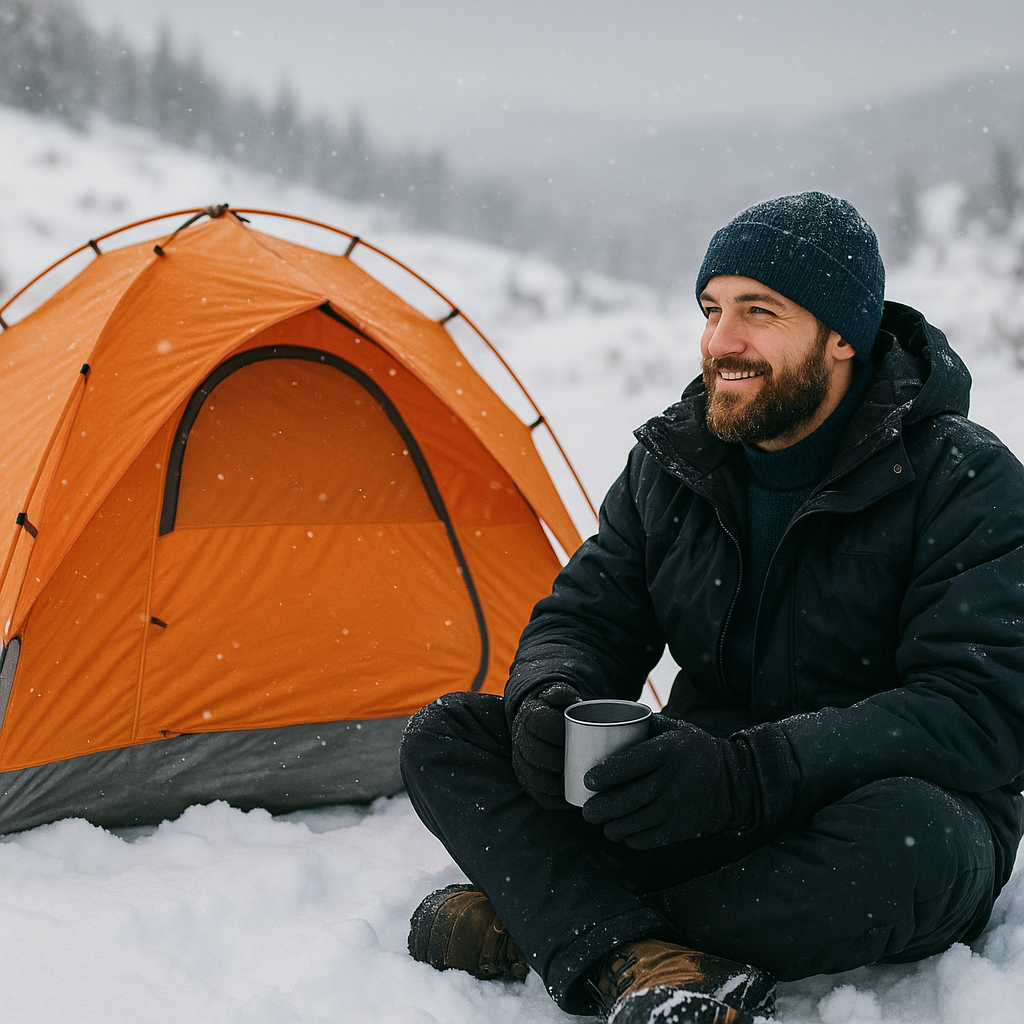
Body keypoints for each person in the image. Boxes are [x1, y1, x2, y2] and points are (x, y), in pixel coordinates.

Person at [399, 192, 1024, 1024]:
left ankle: (557, 925)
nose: (720, 342)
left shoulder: (964, 479)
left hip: (868, 808)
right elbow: (587, 615)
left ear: (844, 336)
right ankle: (641, 950)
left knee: (916, 844)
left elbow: (977, 711)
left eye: (758, 313)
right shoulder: (676, 461)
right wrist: (548, 696)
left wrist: (755, 775)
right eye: (712, 309)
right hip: (700, 794)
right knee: (449, 734)